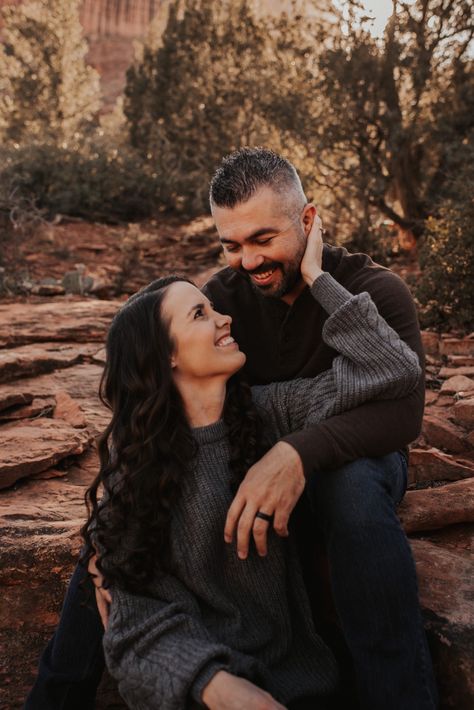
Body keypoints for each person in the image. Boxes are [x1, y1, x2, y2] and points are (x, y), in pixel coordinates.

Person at [25, 148, 437, 710]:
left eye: (263, 239)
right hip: (247, 454)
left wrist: (296, 452)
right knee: (113, 543)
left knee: (353, 490)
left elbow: (401, 410)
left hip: (349, 453)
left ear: (308, 220)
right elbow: (149, 404)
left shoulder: (375, 290)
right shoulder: (220, 301)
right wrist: (105, 537)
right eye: (231, 244)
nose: (247, 261)